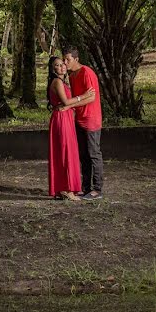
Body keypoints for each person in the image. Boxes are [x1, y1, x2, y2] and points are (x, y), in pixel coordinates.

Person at [46, 57, 93, 201]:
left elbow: (67, 104)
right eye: (57, 66)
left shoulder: (63, 81)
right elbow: (65, 102)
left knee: (66, 152)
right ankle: (67, 189)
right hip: (61, 119)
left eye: (62, 64)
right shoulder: (57, 82)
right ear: (53, 69)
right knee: (65, 153)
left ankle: (63, 188)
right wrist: (83, 96)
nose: (61, 67)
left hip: (65, 117)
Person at [62, 47, 104, 200]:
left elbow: (91, 97)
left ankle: (97, 189)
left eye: (68, 59)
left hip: (91, 119)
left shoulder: (87, 72)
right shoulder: (72, 76)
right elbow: (75, 96)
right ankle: (86, 187)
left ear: (76, 59)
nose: (65, 63)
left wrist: (70, 105)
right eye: (64, 60)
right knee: (83, 155)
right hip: (79, 119)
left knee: (94, 154)